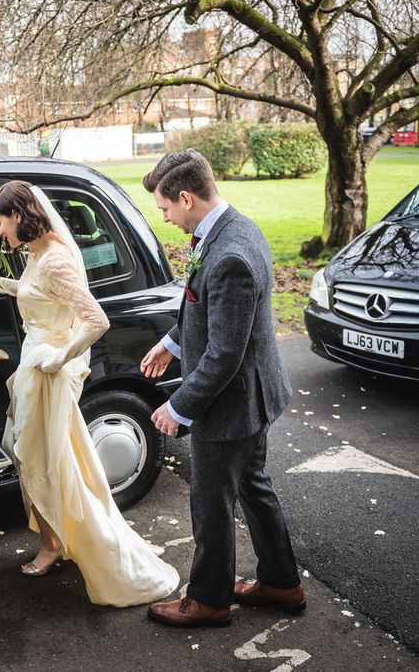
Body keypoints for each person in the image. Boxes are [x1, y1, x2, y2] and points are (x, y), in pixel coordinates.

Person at [0, 181, 178, 607]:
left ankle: (57, 544)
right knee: (29, 453)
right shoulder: (37, 253)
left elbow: (95, 319)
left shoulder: (56, 261)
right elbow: (38, 295)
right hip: (34, 366)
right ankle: (53, 537)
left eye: (0, 223)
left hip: (47, 372)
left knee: (46, 459)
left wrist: (58, 356)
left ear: (19, 215)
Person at [139, 150, 304, 627]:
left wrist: (180, 405)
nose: (165, 217)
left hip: (232, 403)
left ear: (186, 198)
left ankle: (209, 600)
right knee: (254, 487)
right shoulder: (233, 228)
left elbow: (224, 354)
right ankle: (281, 582)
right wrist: (172, 342)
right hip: (254, 395)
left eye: (165, 208)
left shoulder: (230, 254)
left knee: (211, 501)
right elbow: (205, 306)